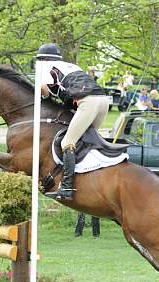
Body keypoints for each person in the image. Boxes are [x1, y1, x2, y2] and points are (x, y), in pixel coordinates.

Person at [36, 43, 109, 201]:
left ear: (43, 59)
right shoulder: (71, 66)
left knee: (68, 142)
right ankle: (92, 181)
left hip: (88, 102)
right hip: (103, 101)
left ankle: (67, 187)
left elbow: (44, 91)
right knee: (89, 141)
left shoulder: (46, 67)